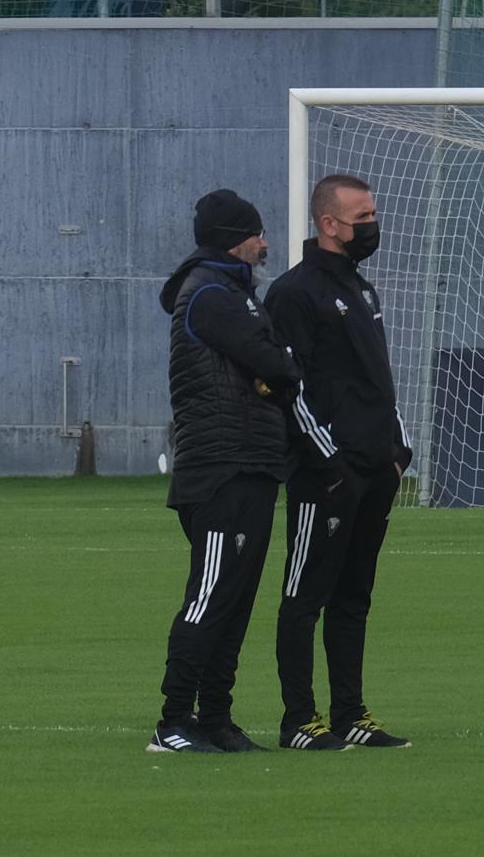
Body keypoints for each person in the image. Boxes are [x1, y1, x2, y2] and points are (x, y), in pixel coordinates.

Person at [148, 189, 301, 754]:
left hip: (252, 462)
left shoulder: (237, 296)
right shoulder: (212, 294)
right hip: (220, 466)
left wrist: (279, 367)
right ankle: (171, 722)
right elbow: (277, 363)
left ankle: (215, 717)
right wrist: (276, 369)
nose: (265, 243)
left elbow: (281, 362)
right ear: (236, 240)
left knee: (234, 599)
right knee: (211, 593)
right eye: (258, 233)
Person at [265, 174, 412, 751]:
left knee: (355, 596)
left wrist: (397, 453)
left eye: (373, 212)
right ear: (328, 223)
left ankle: (351, 713)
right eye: (362, 215)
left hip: (376, 471)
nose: (372, 224)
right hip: (325, 475)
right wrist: (328, 461)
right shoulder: (294, 293)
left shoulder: (363, 289)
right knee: (305, 595)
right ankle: (299, 719)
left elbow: (378, 383)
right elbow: (287, 386)